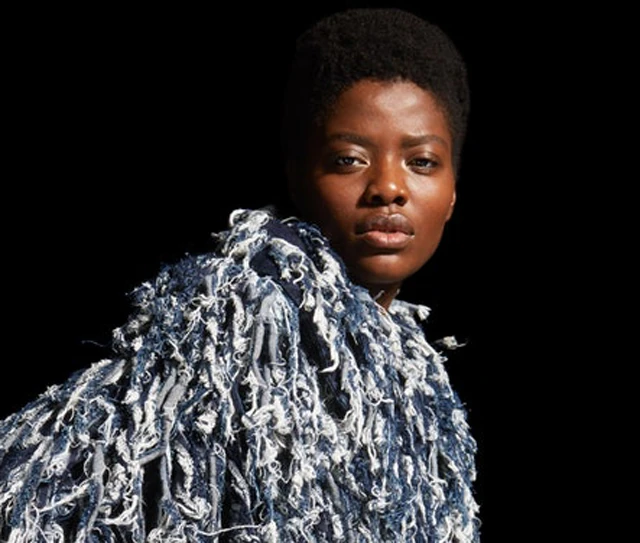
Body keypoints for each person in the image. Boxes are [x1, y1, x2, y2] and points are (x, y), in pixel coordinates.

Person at [0, 7, 480, 542]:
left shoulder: (409, 366)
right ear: (298, 177)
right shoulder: (245, 319)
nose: (388, 187)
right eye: (348, 159)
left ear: (452, 192)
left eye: (422, 162)